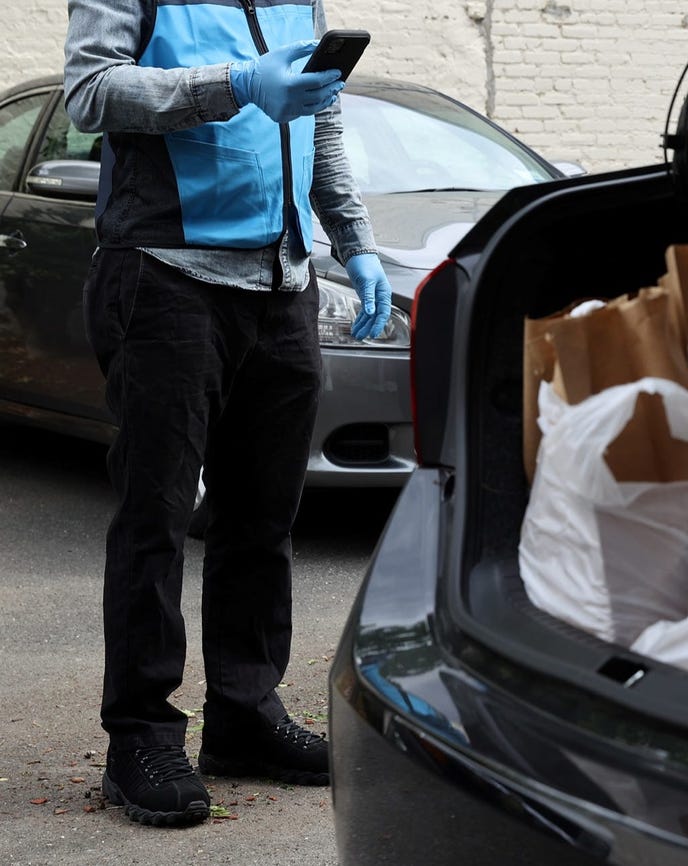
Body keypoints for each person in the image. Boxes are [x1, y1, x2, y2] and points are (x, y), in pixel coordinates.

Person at [64, 0, 392, 827]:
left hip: (282, 283)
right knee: (157, 516)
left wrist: (353, 240)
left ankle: (245, 715)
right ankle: (140, 734)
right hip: (164, 277)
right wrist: (240, 83)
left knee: (261, 517)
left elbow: (320, 120)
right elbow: (92, 92)